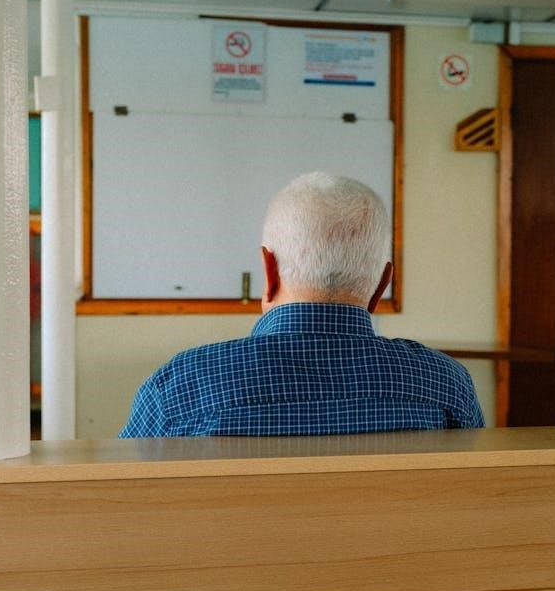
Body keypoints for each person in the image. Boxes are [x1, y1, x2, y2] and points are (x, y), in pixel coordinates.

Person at [119, 172, 484, 437]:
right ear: (381, 284)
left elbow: (123, 498)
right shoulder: (446, 385)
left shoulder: (179, 387)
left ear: (269, 271)